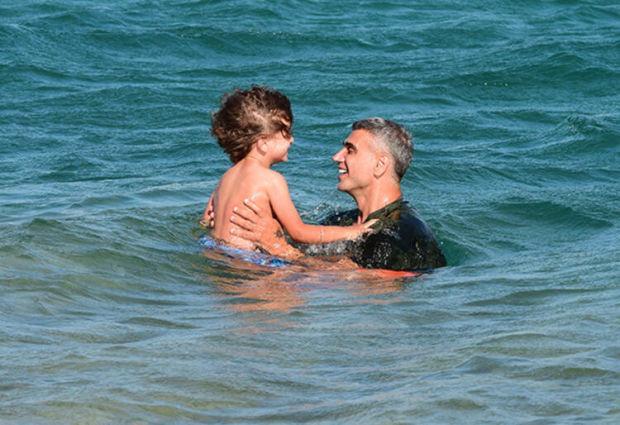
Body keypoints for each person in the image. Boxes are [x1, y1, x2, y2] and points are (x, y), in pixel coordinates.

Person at [228, 117, 447, 272]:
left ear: (380, 165)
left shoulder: (400, 234)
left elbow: (368, 285)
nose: (336, 157)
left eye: (350, 150)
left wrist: (279, 248)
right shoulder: (343, 222)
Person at [203, 86, 371, 253]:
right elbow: (299, 232)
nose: (292, 140)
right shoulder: (271, 180)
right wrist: (352, 231)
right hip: (249, 260)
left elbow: (207, 220)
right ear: (263, 143)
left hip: (218, 252)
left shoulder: (226, 177)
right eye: (286, 132)